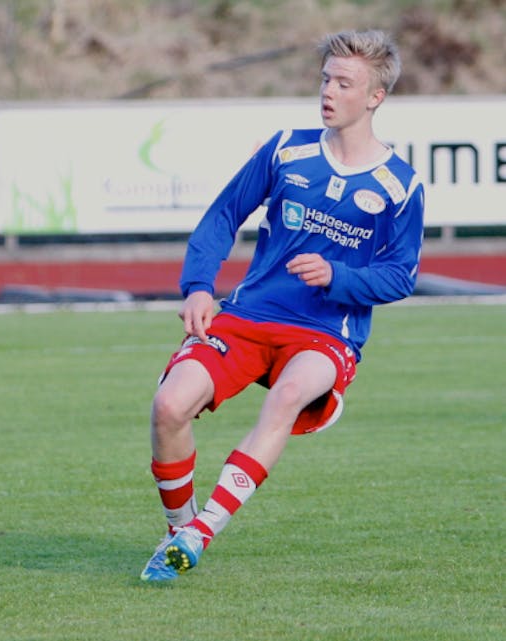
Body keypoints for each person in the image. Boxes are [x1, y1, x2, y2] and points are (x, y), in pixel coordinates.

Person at [140, 30, 424, 581]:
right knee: (170, 407)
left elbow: (400, 275)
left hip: (325, 334)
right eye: (325, 79)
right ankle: (180, 531)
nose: (329, 92)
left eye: (344, 83)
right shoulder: (285, 149)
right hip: (248, 317)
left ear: (375, 97)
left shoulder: (399, 185)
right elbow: (222, 218)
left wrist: (338, 275)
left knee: (289, 394)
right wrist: (199, 286)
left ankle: (201, 534)